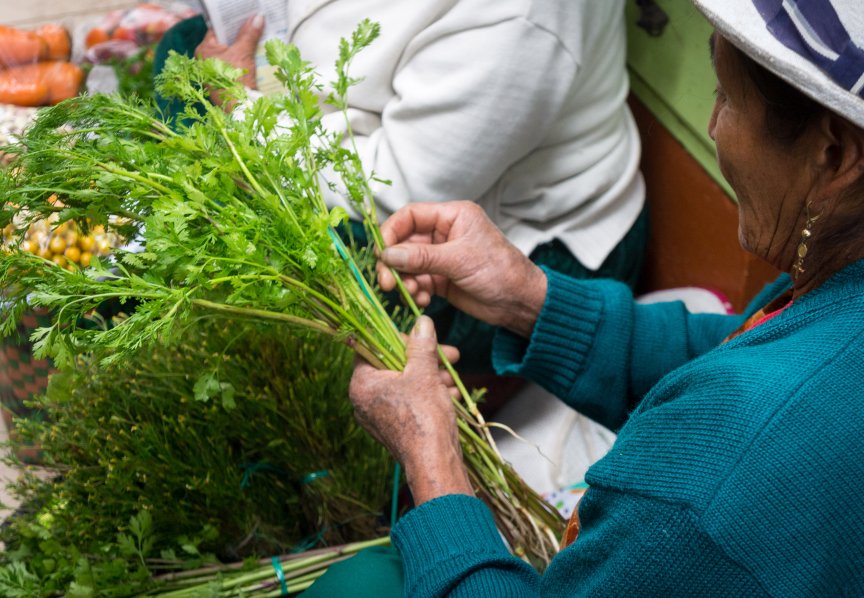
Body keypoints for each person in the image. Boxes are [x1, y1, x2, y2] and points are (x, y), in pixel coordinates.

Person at [333, 0, 864, 595]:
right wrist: (529, 298)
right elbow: (733, 347)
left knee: (355, 584)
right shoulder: (857, 279)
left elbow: (737, 422)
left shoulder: (709, 493)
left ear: (835, 154)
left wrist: (432, 458)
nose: (711, 127)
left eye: (726, 97)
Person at [178, 0, 647, 372]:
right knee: (183, 55)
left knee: (281, 255)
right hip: (367, 138)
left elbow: (395, 189)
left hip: (521, 240)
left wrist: (240, 105)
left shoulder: (520, 18)